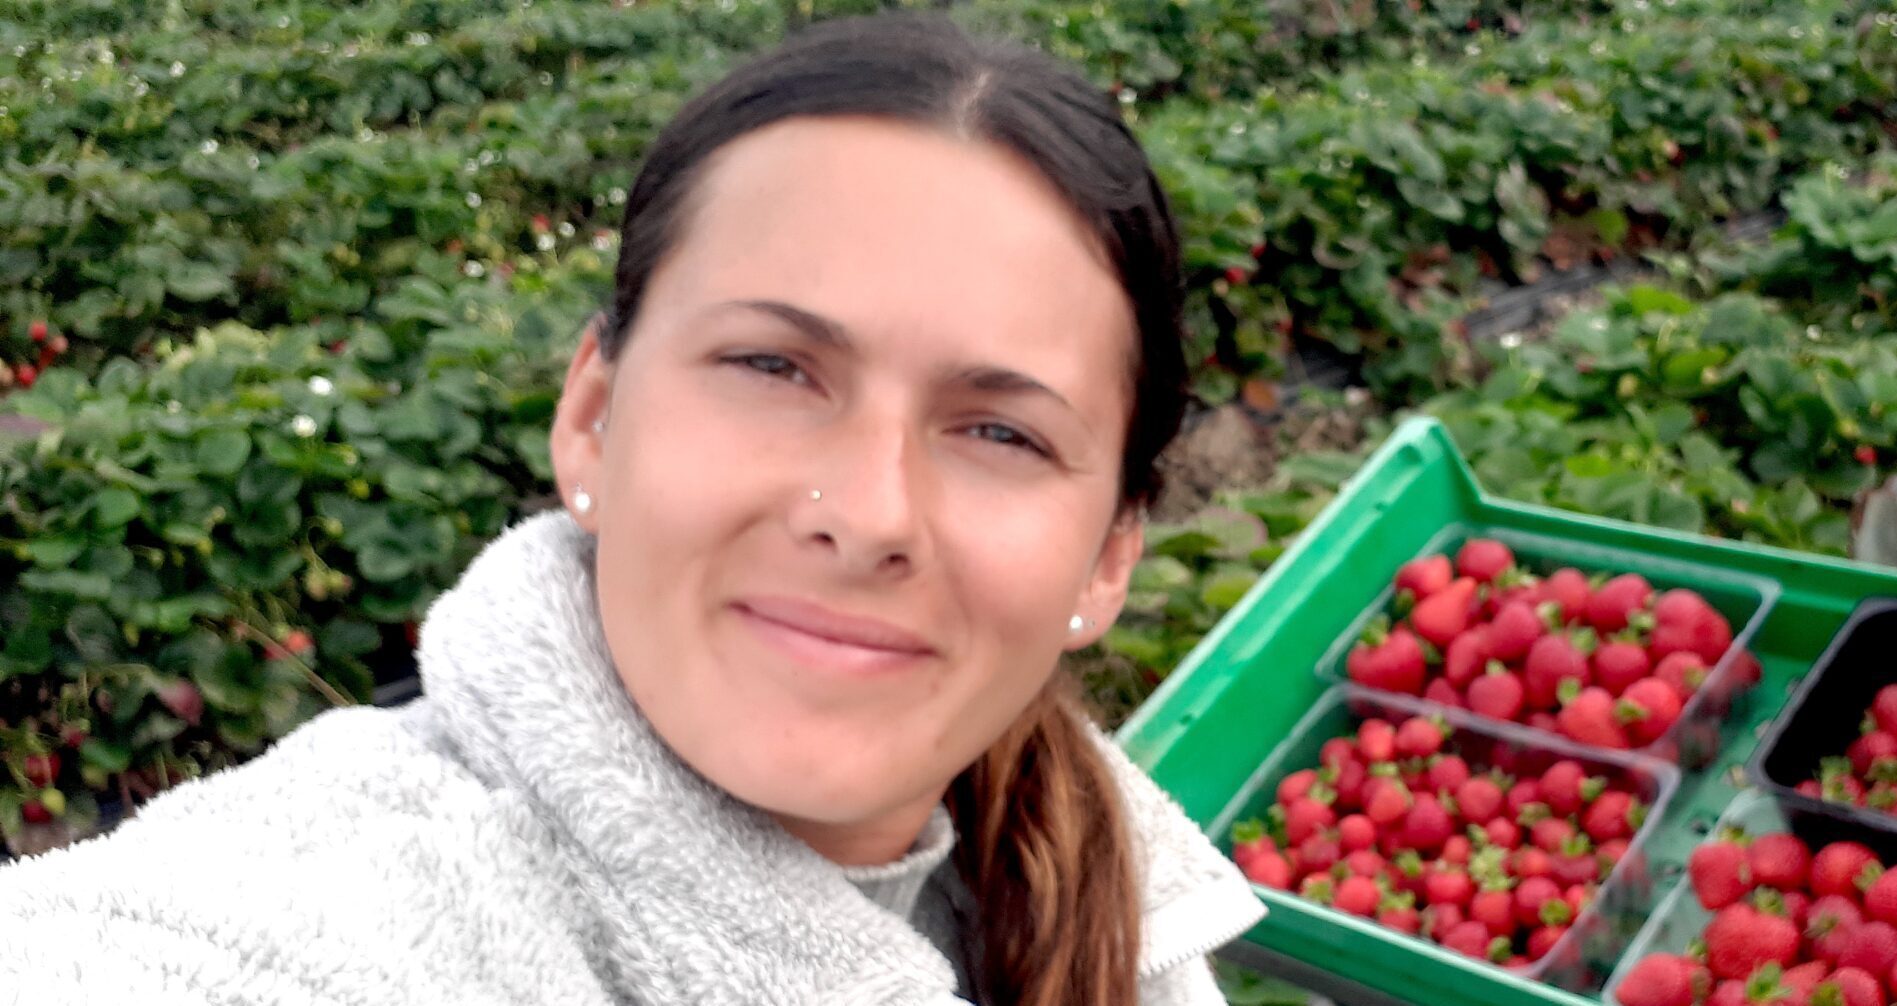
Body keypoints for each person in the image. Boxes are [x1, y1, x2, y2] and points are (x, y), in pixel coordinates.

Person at [0, 14, 1264, 1005]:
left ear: (1107, 557)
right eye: (773, 367)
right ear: (593, 418)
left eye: (1000, 430)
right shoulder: (279, 917)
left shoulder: (1106, 904)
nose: (869, 511)